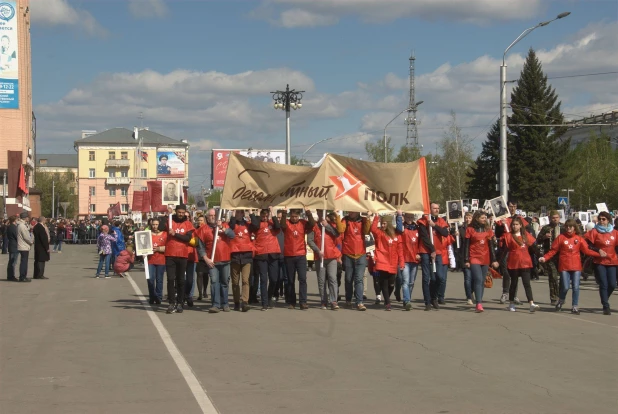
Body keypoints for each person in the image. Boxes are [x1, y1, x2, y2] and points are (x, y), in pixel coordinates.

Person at [540, 218, 604, 315]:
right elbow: (553, 250)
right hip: (564, 266)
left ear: (575, 227)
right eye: (567, 226)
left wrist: (599, 254)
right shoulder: (561, 237)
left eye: (570, 226)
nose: (568, 228)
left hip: (576, 266)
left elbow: (586, 251)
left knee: (576, 287)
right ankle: (561, 300)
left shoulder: (579, 238)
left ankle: (575, 306)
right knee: (565, 287)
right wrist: (545, 258)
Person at [195, 209, 235, 313]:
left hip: (225, 259)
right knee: (214, 282)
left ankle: (225, 303)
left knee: (225, 282)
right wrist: (206, 258)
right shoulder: (203, 229)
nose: (213, 217)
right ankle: (215, 304)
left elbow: (232, 235)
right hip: (212, 261)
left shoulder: (224, 225)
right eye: (211, 215)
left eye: (214, 215)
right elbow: (200, 247)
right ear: (207, 217)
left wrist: (222, 227)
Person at [500, 217, 540, 312]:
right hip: (513, 262)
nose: (515, 226)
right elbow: (505, 250)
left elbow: (534, 247)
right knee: (514, 283)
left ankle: (531, 303)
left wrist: (541, 257)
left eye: (517, 224)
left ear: (521, 225)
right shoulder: (508, 236)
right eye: (513, 224)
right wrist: (499, 261)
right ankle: (511, 303)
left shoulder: (525, 235)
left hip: (525, 262)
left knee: (527, 283)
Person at [280, 207, 315, 310]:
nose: (294, 218)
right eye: (293, 216)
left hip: (300, 255)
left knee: (303, 279)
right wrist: (284, 212)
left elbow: (312, 224)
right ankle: (292, 302)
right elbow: (282, 225)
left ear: (299, 216)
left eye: (296, 216)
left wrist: (308, 212)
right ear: (290, 216)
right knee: (290, 280)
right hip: (289, 255)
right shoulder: (286, 223)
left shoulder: (303, 223)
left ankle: (303, 302)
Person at [463, 211, 499, 313]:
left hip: (485, 258)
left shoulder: (488, 230)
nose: (484, 219)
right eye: (482, 218)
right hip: (474, 257)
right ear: (477, 218)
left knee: (482, 280)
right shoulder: (470, 229)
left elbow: (491, 246)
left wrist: (494, 260)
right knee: (478, 279)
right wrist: (466, 259)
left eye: (485, 218)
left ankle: (480, 301)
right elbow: (466, 245)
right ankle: (478, 303)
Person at [336, 210, 371, 311]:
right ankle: (348, 300)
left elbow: (367, 231)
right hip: (348, 253)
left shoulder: (363, 220)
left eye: (352, 211)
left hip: (361, 254)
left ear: (357, 211)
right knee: (348, 279)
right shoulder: (345, 220)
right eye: (349, 211)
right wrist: (338, 216)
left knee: (359, 279)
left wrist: (368, 218)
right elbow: (340, 229)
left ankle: (359, 302)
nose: (350, 213)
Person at [417, 203, 450, 311]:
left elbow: (445, 233)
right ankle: (427, 302)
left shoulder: (440, 221)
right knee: (427, 277)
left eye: (438, 208)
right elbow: (424, 237)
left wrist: (434, 225)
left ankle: (434, 297)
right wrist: (432, 250)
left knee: (439, 277)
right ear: (429, 209)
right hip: (426, 251)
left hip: (439, 252)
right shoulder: (423, 221)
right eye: (434, 208)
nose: (437, 209)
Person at [584, 211, 618, 315]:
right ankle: (605, 306)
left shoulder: (615, 233)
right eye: (600, 219)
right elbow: (587, 245)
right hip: (599, 261)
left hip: (612, 261)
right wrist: (598, 250)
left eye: (604, 219)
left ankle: (604, 298)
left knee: (612, 284)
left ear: (608, 220)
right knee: (603, 283)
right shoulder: (594, 232)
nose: (602, 221)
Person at [165, 204, 195, 314]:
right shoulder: (169, 220)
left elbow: (187, 238)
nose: (181, 214)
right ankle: (171, 302)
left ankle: (180, 302)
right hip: (170, 254)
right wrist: (167, 213)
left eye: (183, 212)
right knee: (170, 279)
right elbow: (159, 225)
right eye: (179, 212)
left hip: (182, 255)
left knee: (181, 280)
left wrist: (175, 234)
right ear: (176, 211)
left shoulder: (188, 224)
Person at [250, 206, 281, 311]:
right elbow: (254, 225)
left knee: (274, 279)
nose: (265, 217)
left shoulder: (272, 223)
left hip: (273, 253)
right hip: (261, 254)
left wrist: (272, 212)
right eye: (263, 216)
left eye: (266, 216)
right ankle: (264, 303)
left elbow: (278, 226)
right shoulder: (257, 225)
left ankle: (268, 297)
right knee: (263, 279)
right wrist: (257, 214)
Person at [371, 214, 404, 311]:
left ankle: (387, 299)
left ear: (389, 224)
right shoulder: (380, 234)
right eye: (382, 223)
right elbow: (373, 229)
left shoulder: (397, 236)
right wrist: (376, 217)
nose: (382, 225)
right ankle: (388, 303)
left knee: (391, 284)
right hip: (382, 261)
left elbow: (400, 250)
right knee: (384, 283)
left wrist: (401, 262)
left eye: (384, 223)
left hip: (393, 263)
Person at [312, 210, 341, 310]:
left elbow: (337, 234)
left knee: (332, 278)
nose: (321, 215)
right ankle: (323, 301)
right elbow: (310, 241)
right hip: (320, 257)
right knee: (321, 280)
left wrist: (327, 225)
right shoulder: (314, 226)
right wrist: (317, 250)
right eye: (319, 213)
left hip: (331, 256)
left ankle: (333, 301)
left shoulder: (331, 225)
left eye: (322, 213)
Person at [536, 210, 563, 305]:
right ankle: (553, 297)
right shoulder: (546, 228)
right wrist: (544, 237)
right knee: (553, 276)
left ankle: (561, 296)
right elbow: (538, 240)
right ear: (550, 218)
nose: (555, 220)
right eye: (553, 218)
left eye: (557, 218)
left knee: (563, 278)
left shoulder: (563, 227)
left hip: (562, 255)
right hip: (550, 255)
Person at [395, 210, 421, 310]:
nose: (410, 219)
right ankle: (407, 301)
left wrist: (419, 253)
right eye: (408, 217)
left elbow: (420, 242)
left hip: (414, 259)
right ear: (405, 218)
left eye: (411, 217)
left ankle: (407, 297)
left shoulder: (417, 228)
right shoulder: (402, 228)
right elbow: (398, 228)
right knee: (405, 281)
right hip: (405, 258)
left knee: (411, 282)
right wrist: (399, 215)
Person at [146, 219, 166, 305]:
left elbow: (169, 246)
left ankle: (158, 297)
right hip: (150, 260)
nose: (155, 226)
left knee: (159, 280)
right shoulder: (147, 234)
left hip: (161, 260)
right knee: (150, 279)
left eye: (156, 224)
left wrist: (159, 249)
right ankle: (152, 296)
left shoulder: (165, 234)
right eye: (153, 224)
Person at [194, 215, 209, 301]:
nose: (200, 222)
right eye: (199, 220)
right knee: (199, 274)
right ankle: (200, 293)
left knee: (205, 274)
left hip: (207, 254)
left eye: (202, 220)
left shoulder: (208, 229)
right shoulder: (195, 230)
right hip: (199, 254)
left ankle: (205, 291)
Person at [16, 212, 33, 282]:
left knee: (24, 261)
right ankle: (22, 276)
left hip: (23, 245)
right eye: (27, 217)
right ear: (25, 218)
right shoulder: (22, 226)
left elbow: (28, 228)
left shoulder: (23, 225)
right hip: (23, 246)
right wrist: (31, 241)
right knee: (24, 262)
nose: (28, 218)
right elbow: (26, 237)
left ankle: (23, 276)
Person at [6, 216, 18, 281]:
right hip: (14, 246)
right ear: (14, 220)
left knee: (11, 261)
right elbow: (16, 236)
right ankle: (11, 276)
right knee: (13, 262)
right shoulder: (13, 227)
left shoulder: (9, 227)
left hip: (11, 244)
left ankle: (10, 275)